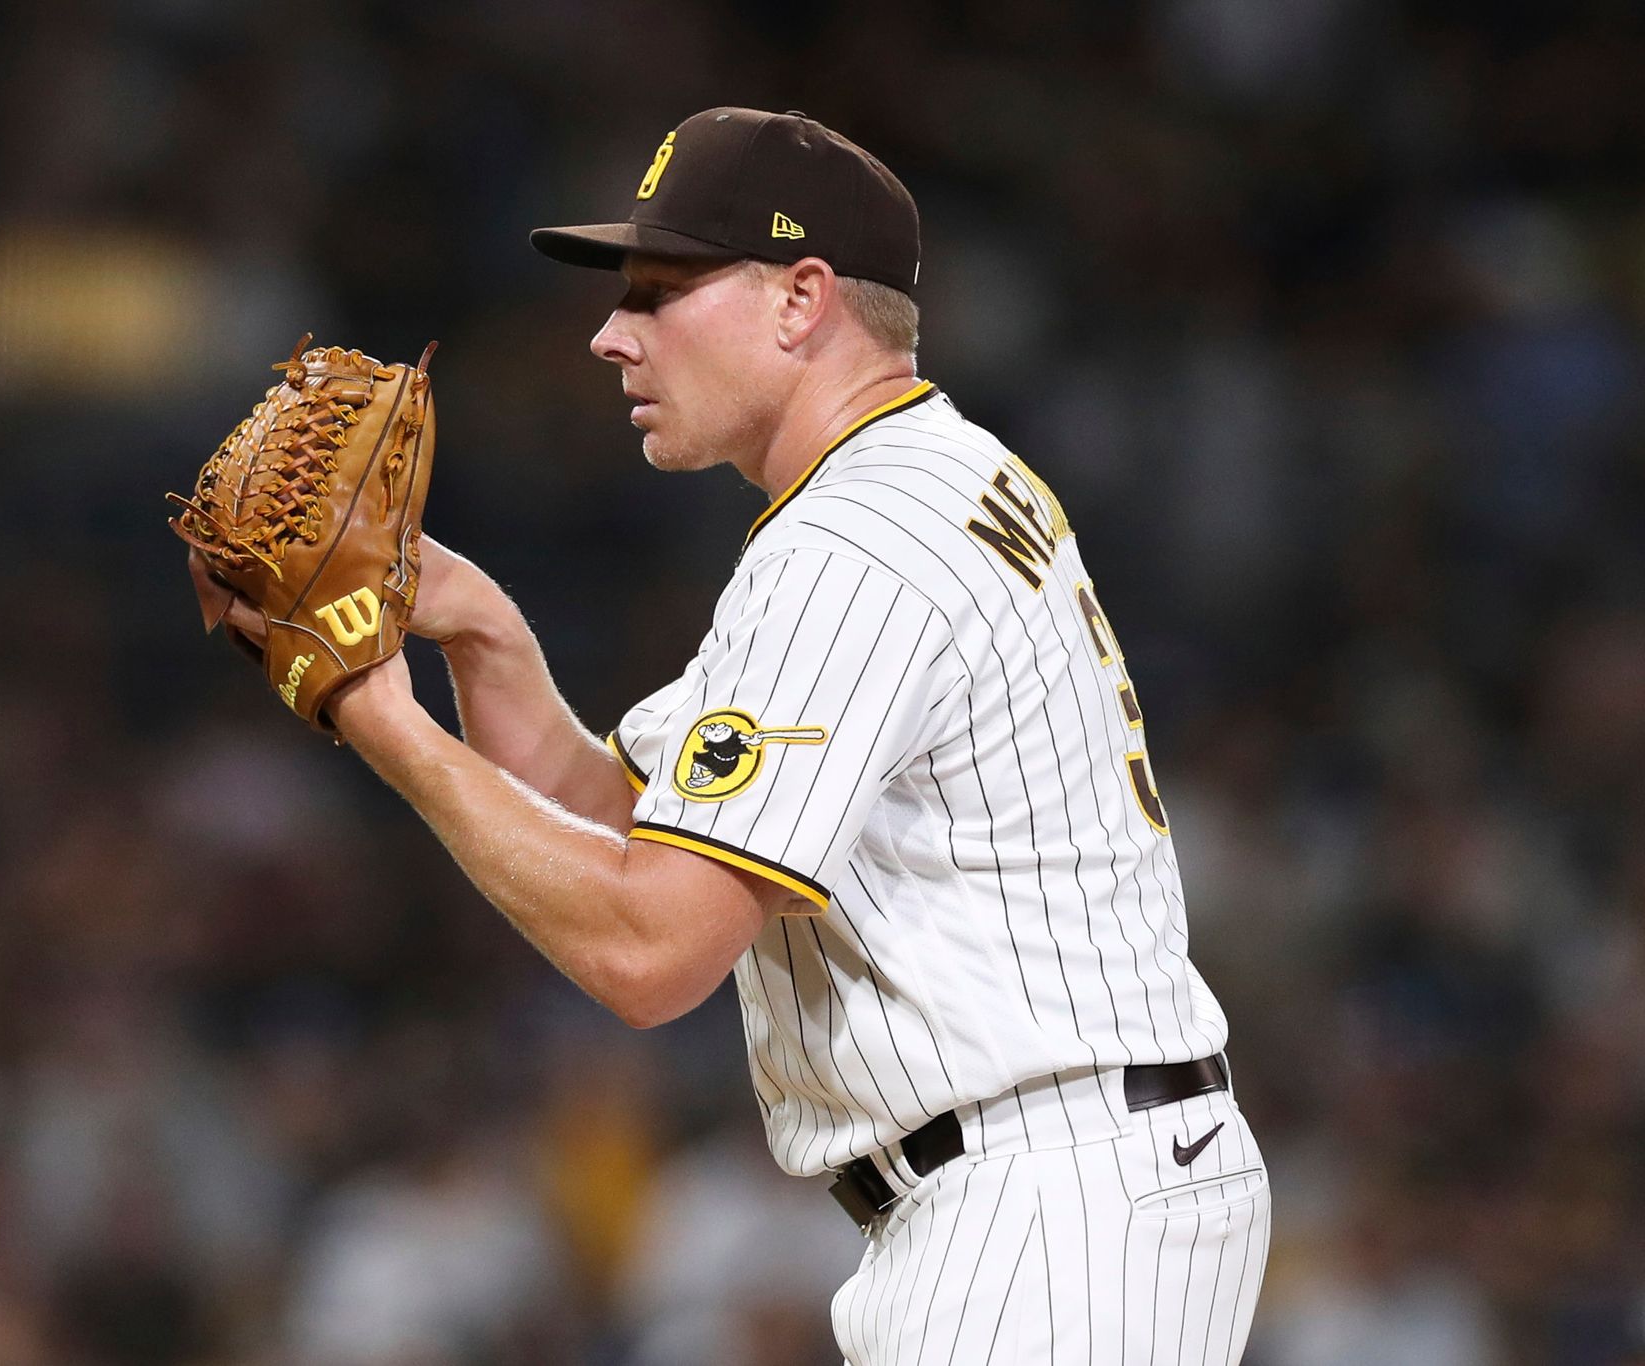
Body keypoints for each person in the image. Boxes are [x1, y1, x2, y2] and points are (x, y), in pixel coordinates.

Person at [238, 106, 1271, 1363]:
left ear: (801, 299)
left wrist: (376, 717)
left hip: (1044, 1206)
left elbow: (651, 947)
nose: (611, 335)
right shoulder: (920, 477)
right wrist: (483, 637)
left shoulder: (854, 546)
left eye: (662, 291)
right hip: (1059, 1188)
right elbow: (623, 814)